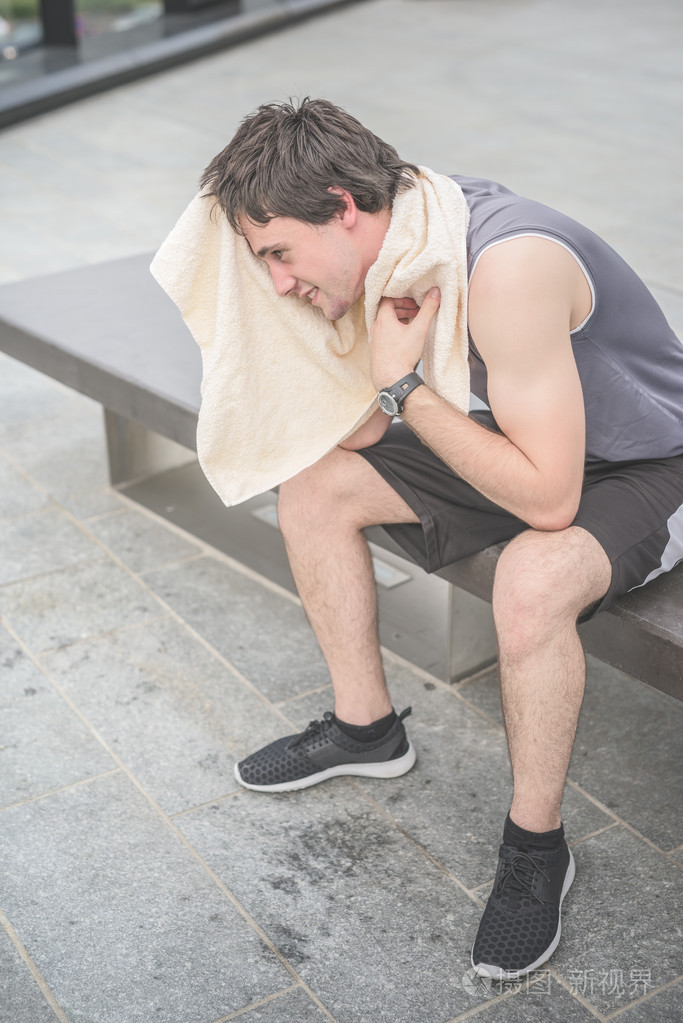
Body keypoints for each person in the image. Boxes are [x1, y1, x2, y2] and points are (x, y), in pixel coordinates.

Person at [199, 97, 683, 980]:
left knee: (532, 581)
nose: (275, 280)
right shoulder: (397, 245)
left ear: (343, 206)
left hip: (639, 463)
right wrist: (347, 354)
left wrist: (399, 386)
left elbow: (547, 499)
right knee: (314, 484)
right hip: (512, 437)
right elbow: (348, 438)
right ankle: (366, 727)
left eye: (278, 253)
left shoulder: (505, 266)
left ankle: (536, 849)